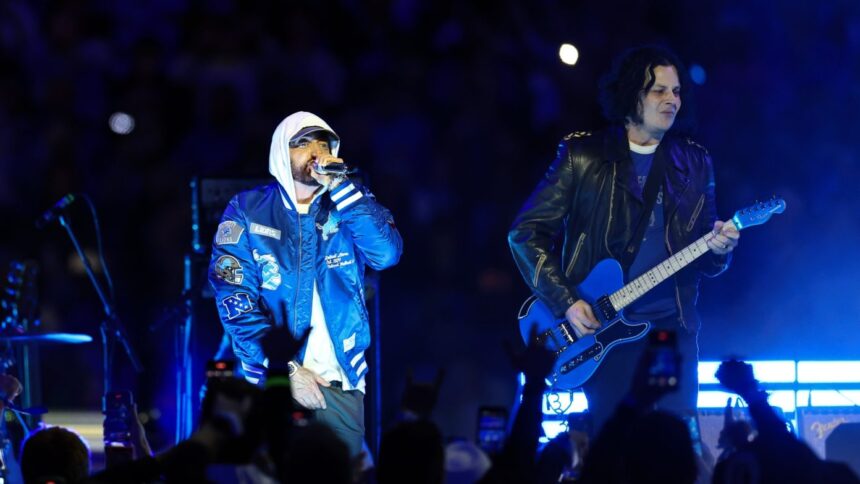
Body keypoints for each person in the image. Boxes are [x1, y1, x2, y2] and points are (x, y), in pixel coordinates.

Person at [508, 45, 739, 432]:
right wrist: (566, 302)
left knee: (673, 448)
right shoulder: (582, 155)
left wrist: (720, 250)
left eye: (677, 91)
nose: (671, 100)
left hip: (670, 330)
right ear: (633, 95)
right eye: (659, 91)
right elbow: (525, 234)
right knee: (612, 453)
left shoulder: (695, 161)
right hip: (601, 333)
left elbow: (706, 257)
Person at [209, 111, 403, 456]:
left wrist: (343, 187)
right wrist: (288, 371)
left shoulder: (350, 203)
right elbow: (234, 299)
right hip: (269, 381)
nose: (316, 151)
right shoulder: (247, 209)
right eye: (303, 143)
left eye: (323, 142)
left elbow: (386, 254)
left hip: (339, 382)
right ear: (282, 152)